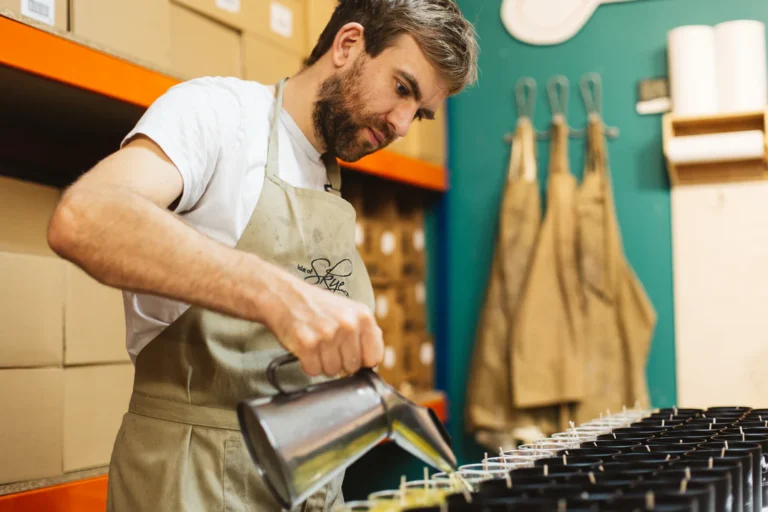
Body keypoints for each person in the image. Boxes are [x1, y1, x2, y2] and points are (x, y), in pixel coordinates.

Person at [47, 0, 478, 510]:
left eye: (421, 112)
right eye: (402, 88)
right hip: (195, 480)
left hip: (307, 484)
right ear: (347, 45)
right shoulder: (219, 114)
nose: (404, 124)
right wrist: (280, 296)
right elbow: (86, 216)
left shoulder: (327, 178)